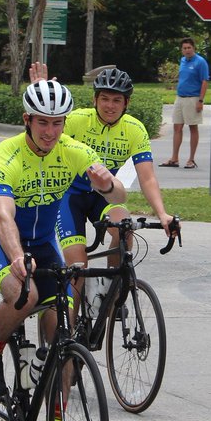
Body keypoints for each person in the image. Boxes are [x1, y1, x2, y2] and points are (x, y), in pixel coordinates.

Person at [0, 74, 125, 421]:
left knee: (65, 331)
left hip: (44, 245)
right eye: (42, 122)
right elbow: (3, 216)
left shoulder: (75, 150)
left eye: (57, 122)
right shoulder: (4, 157)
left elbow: (122, 194)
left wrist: (108, 186)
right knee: (25, 296)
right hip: (1, 242)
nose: (50, 131)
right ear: (27, 120)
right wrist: (16, 257)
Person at [50, 66, 175, 284]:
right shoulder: (77, 120)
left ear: (127, 103)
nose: (110, 106)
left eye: (117, 100)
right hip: (70, 197)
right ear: (94, 99)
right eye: (105, 99)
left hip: (105, 197)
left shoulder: (134, 129)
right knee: (77, 270)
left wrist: (162, 214)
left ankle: (111, 291)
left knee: (125, 230)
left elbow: (147, 177)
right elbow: (44, 136)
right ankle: (72, 317)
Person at [160, 37, 208, 169]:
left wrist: (201, 100)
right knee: (177, 127)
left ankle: (191, 159)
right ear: (182, 50)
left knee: (193, 127)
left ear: (193, 48)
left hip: (193, 98)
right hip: (180, 98)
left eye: (189, 48)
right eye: (184, 48)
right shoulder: (183, 61)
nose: (187, 50)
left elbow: (204, 81)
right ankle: (174, 158)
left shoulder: (200, 62)